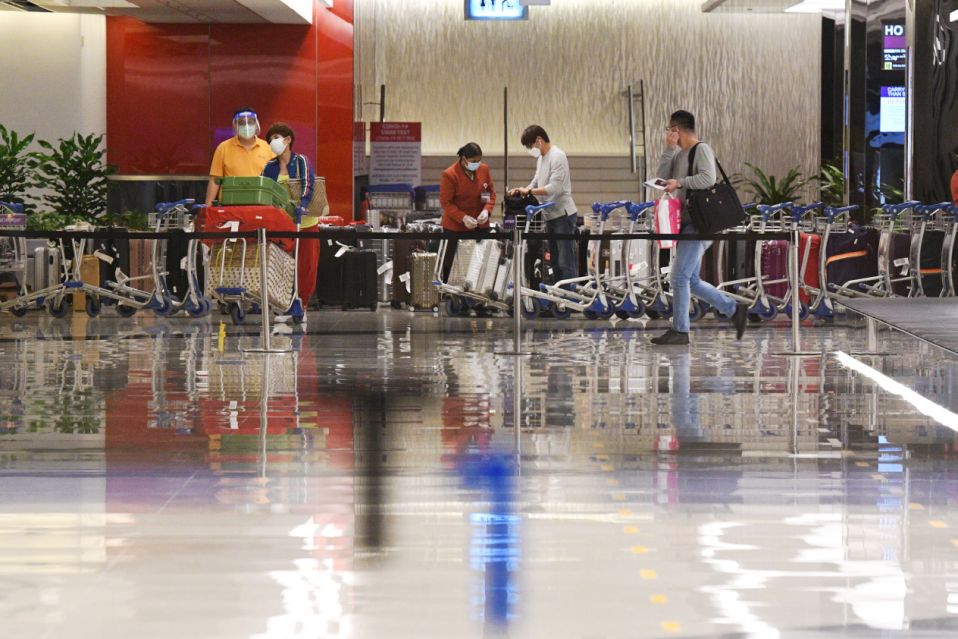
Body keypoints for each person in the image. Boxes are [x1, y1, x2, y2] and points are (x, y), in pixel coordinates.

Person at [651, 110, 747, 346]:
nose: (668, 133)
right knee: (690, 279)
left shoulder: (701, 149)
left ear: (677, 129)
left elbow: (708, 179)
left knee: (679, 277)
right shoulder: (679, 154)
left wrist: (681, 182)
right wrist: (668, 151)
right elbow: (663, 179)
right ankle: (734, 310)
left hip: (700, 223)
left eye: (669, 129)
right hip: (687, 222)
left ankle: (680, 331)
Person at [261, 122, 321, 309]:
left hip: (304, 222)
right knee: (279, 263)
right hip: (281, 222)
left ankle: (301, 302)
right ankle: (281, 300)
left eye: (276, 138)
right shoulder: (269, 167)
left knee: (306, 265)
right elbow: (263, 189)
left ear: (288, 140)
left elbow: (308, 184)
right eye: (270, 140)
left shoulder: (301, 161)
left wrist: (302, 205)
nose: (273, 142)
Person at [509, 125, 578, 283]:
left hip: (563, 215)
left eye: (529, 146)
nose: (529, 149)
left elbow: (554, 188)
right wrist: (522, 190)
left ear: (539, 140)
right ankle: (560, 296)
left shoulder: (557, 156)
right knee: (554, 261)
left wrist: (529, 192)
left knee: (565, 261)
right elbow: (536, 180)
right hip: (550, 215)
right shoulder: (542, 158)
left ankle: (569, 297)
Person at [439, 142, 496, 281]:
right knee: (454, 265)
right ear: (464, 159)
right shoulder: (450, 174)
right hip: (456, 227)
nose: (477, 164)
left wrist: (486, 211)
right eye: (473, 161)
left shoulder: (484, 169)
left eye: (479, 160)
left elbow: (490, 194)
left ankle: (479, 297)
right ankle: (451, 297)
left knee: (481, 264)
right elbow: (446, 202)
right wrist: (463, 218)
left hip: (480, 226)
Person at [204, 107, 274, 207]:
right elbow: (215, 180)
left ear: (256, 124)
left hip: (261, 206)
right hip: (230, 206)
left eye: (250, 122)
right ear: (235, 126)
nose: (246, 126)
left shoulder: (269, 149)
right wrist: (208, 209)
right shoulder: (223, 148)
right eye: (241, 123)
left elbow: (275, 182)